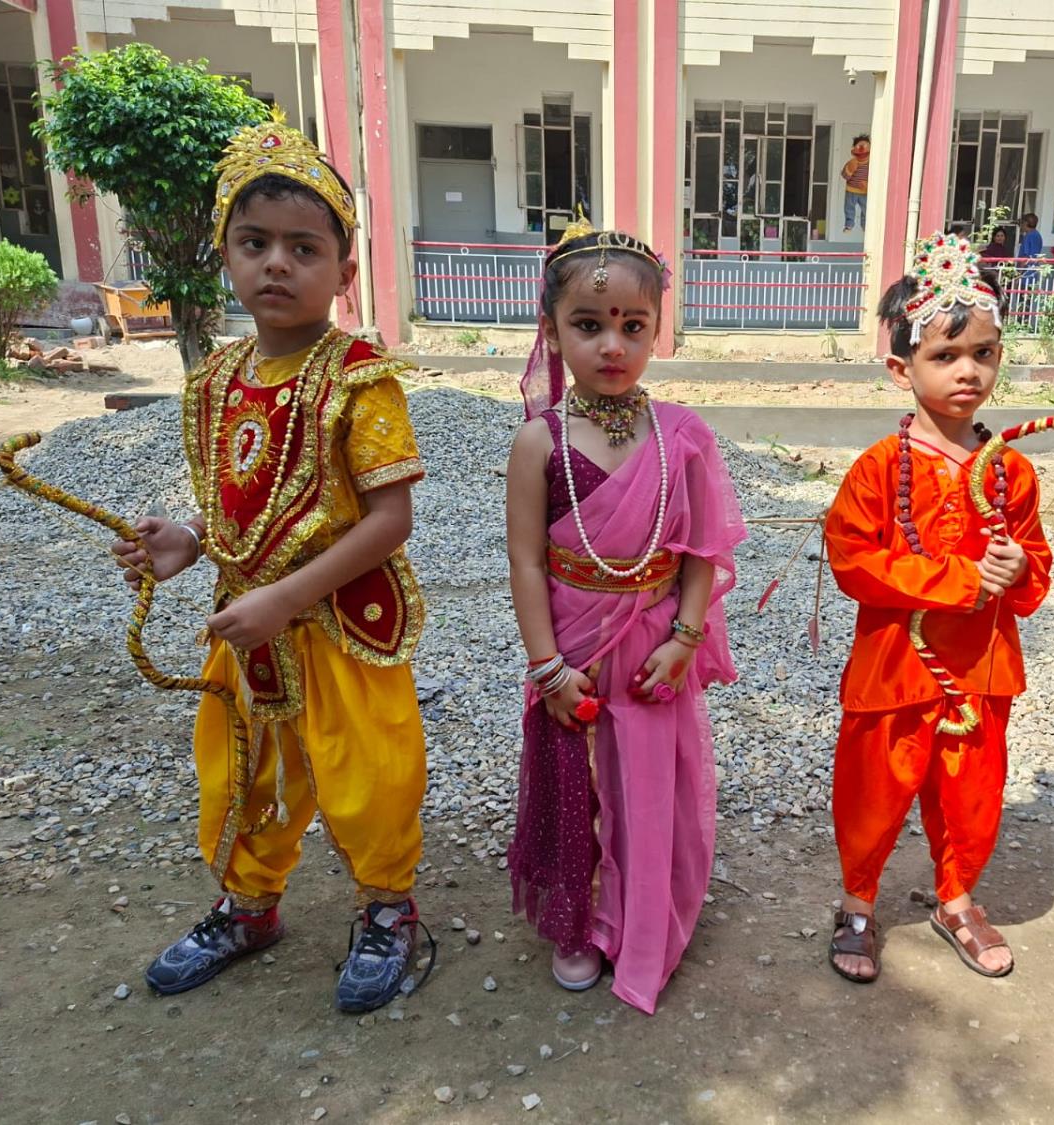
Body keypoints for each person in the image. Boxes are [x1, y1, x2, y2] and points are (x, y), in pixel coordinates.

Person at [110, 111, 430, 1014]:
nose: (277, 265)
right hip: (249, 626)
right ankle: (249, 905)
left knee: (369, 774)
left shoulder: (360, 376)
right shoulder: (214, 382)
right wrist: (184, 543)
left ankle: (388, 910)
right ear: (226, 257)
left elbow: (390, 520)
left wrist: (286, 598)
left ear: (345, 272)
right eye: (255, 244)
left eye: (304, 247)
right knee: (241, 769)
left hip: (341, 624)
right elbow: (236, 511)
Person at [504, 215, 746, 1014]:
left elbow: (703, 549)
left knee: (648, 786)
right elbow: (527, 561)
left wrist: (686, 638)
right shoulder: (539, 443)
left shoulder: (683, 435)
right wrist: (547, 667)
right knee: (577, 785)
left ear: (655, 331)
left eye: (632, 326)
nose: (612, 345)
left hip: (654, 647)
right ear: (551, 329)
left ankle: (639, 914)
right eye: (588, 324)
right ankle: (579, 920)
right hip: (570, 650)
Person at [823, 233, 1053, 983]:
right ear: (902, 368)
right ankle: (858, 902)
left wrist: (1018, 570)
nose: (968, 371)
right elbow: (854, 560)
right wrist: (961, 580)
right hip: (893, 670)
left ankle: (956, 898)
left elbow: (1035, 567)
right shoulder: (878, 469)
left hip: (981, 672)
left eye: (983, 353)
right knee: (873, 791)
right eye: (946, 355)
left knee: (973, 795)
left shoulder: (1012, 470)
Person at [841, 134, 872, 233]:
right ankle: (849, 225)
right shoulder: (851, 162)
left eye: (865, 146)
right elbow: (844, 175)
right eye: (859, 146)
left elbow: (875, 176)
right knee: (849, 208)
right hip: (851, 190)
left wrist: (868, 184)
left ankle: (865, 226)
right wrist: (850, 170)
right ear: (853, 149)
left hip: (864, 191)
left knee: (866, 209)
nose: (862, 149)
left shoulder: (872, 164)